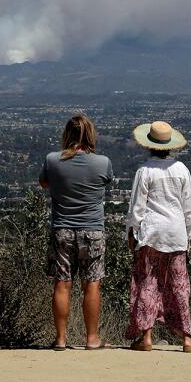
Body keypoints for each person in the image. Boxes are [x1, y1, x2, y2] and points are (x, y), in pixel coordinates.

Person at [39, 113, 114, 350]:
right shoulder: (102, 162)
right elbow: (106, 182)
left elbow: (44, 183)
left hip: (62, 229)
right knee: (92, 284)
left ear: (66, 135)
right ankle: (92, 339)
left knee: (62, 284)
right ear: (90, 135)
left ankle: (61, 339)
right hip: (92, 230)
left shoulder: (52, 160)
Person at [124, 120, 191, 352]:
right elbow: (189, 207)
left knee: (148, 283)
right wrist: (189, 234)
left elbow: (137, 207)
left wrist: (131, 231)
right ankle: (187, 338)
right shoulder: (181, 170)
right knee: (179, 285)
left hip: (152, 233)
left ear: (149, 145)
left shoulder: (144, 171)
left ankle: (146, 336)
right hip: (176, 233)